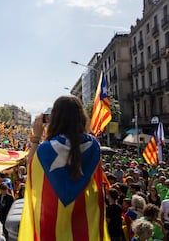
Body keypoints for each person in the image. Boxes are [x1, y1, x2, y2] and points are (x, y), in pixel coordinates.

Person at [18, 95, 110, 240]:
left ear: (54, 119)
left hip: (52, 219)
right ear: (81, 117)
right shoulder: (94, 146)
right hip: (84, 219)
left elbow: (30, 170)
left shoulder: (45, 149)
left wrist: (36, 137)